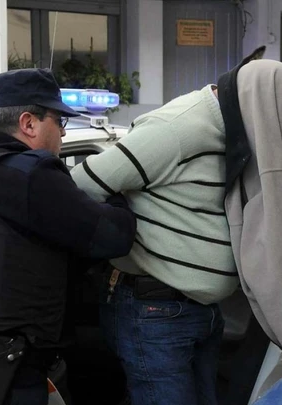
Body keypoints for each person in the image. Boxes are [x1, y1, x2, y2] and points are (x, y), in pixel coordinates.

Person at [0, 68, 137, 405]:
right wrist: (119, 189)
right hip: (0, 379)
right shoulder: (29, 173)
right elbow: (114, 236)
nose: (62, 132)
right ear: (29, 123)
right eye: (58, 121)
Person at [69, 69, 240, 404]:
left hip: (198, 311)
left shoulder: (230, 134)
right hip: (155, 311)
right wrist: (122, 226)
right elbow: (81, 186)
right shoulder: (175, 130)